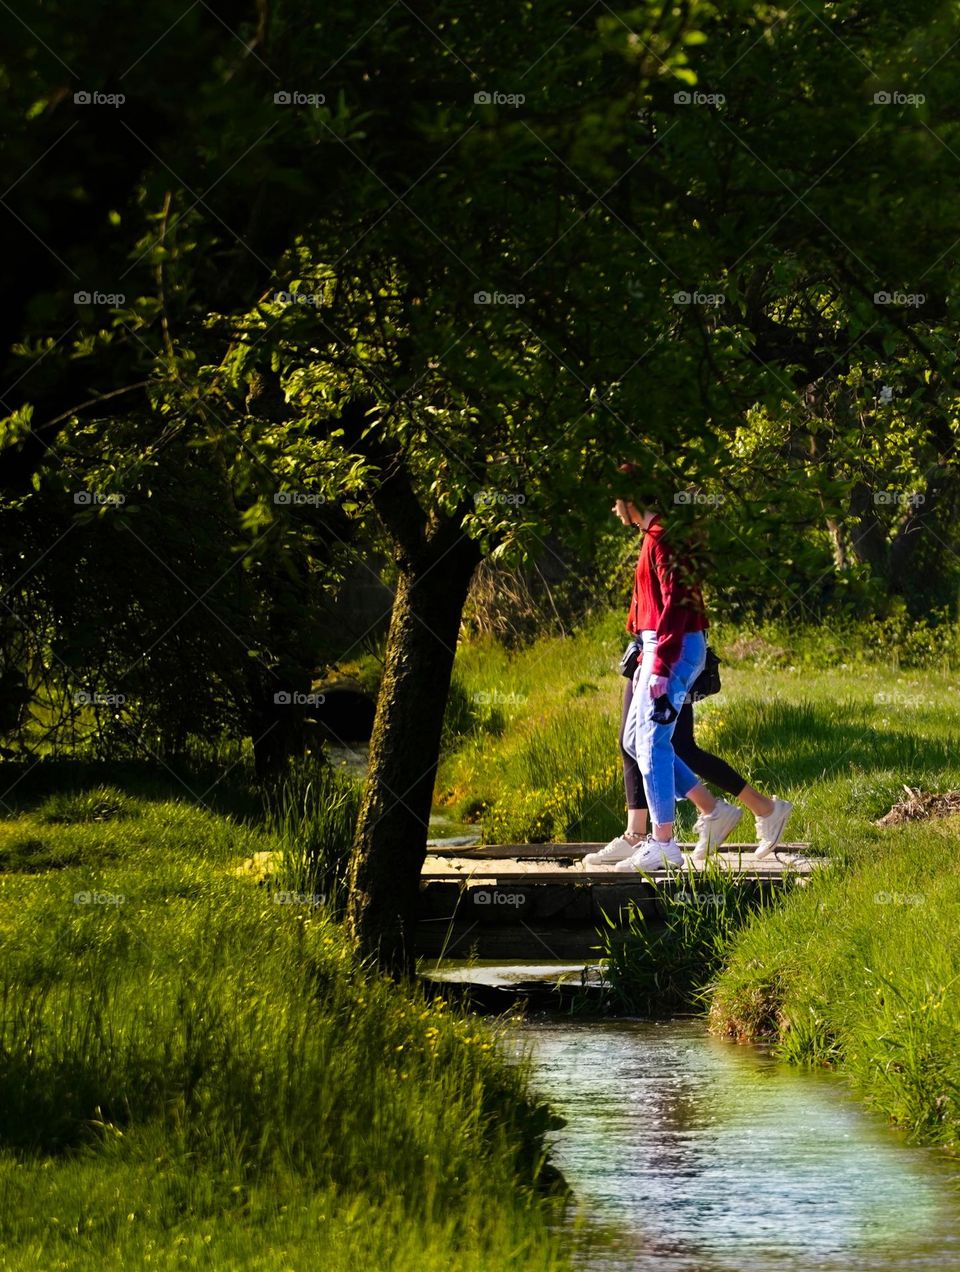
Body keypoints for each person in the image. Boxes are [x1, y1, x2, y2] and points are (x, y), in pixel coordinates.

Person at [583, 470, 792, 872]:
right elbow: (652, 600)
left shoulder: (664, 537)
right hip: (656, 646)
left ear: (631, 499)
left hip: (671, 649)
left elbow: (677, 606)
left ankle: (663, 842)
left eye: (615, 500)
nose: (613, 509)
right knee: (635, 741)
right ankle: (714, 811)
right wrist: (642, 641)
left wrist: (660, 665)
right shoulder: (653, 536)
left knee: (656, 744)